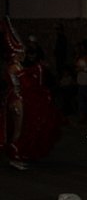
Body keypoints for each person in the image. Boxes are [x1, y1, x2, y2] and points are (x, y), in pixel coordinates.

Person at [0, 18, 60, 170]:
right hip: (17, 98)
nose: (23, 54)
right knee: (18, 129)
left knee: (24, 127)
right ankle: (15, 155)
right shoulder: (14, 67)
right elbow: (26, 83)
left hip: (19, 96)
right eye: (21, 52)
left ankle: (21, 153)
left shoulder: (18, 66)